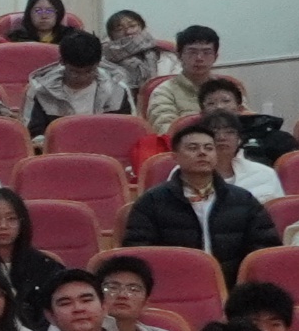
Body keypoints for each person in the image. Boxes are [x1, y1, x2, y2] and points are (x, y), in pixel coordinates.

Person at [119, 118, 277, 279]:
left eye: (209, 148)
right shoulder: (152, 201)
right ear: (175, 157)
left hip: (233, 286)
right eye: (193, 148)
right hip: (173, 284)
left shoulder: (244, 200)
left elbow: (264, 249)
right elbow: (139, 252)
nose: (202, 153)